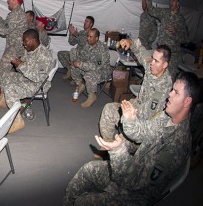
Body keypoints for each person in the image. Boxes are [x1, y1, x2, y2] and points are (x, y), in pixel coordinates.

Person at [63, 72, 199, 206]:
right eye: (172, 90)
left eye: (176, 92)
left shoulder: (177, 145)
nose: (169, 94)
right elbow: (141, 132)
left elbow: (136, 181)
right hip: (130, 170)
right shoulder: (166, 117)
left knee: (82, 202)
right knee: (87, 170)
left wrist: (118, 151)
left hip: (137, 194)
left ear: (187, 101)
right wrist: (130, 120)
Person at [98, 39, 172, 156]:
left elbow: (147, 114)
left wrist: (128, 111)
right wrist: (130, 42)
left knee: (122, 140)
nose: (151, 62)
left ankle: (115, 151)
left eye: (156, 61)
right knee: (109, 109)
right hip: (136, 107)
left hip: (143, 125)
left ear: (165, 65)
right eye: (152, 58)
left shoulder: (163, 87)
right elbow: (140, 51)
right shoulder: (152, 66)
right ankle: (107, 145)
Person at [0, 29, 53, 133]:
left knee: (10, 88)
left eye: (25, 41)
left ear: (33, 40)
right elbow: (25, 63)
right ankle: (3, 100)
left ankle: (18, 120)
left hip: (39, 84)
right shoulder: (31, 51)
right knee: (6, 75)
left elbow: (39, 78)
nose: (23, 44)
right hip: (29, 78)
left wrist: (21, 65)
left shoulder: (44, 55)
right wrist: (18, 62)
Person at [0, 0, 28, 86]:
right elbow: (5, 25)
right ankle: (10, 93)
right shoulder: (14, 13)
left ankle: (7, 94)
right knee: (7, 72)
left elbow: (4, 31)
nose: (7, 0)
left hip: (15, 49)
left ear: (15, 0)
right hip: (14, 47)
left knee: (0, 72)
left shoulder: (16, 14)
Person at [145, 0, 188, 80]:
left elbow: (185, 38)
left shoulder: (180, 19)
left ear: (178, 3)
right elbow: (151, 10)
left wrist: (176, 32)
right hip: (161, 54)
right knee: (157, 77)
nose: (171, 2)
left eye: (173, 0)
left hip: (172, 56)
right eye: (170, 0)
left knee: (169, 79)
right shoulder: (165, 13)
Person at [70, 28, 111, 108]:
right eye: (88, 36)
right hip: (89, 66)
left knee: (89, 74)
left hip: (102, 71)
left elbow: (97, 66)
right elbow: (82, 55)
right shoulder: (88, 44)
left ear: (97, 38)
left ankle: (92, 96)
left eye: (91, 37)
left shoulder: (101, 49)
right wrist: (76, 61)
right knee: (74, 67)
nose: (88, 38)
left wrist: (81, 64)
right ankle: (80, 85)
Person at [58, 16, 94, 80]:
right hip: (75, 54)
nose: (85, 23)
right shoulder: (81, 32)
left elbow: (85, 42)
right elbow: (72, 42)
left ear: (91, 24)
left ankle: (76, 77)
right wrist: (71, 33)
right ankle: (70, 71)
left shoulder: (92, 34)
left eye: (87, 21)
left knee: (74, 53)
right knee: (60, 54)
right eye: (85, 21)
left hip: (84, 56)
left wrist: (75, 33)